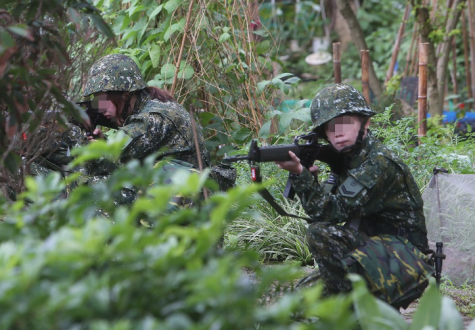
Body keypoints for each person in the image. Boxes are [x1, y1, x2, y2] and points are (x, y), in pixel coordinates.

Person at [275, 84, 434, 309]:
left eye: (345, 124)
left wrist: (301, 175)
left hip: (404, 263)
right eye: (330, 129)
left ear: (365, 123)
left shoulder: (378, 163)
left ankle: (357, 315)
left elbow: (327, 214)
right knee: (296, 303)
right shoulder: (350, 158)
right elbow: (323, 209)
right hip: (374, 252)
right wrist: (312, 177)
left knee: (319, 234)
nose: (338, 133)